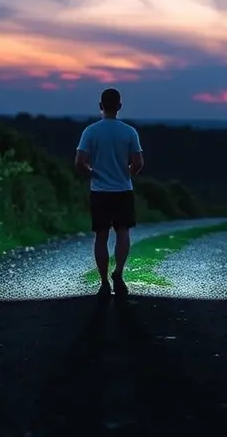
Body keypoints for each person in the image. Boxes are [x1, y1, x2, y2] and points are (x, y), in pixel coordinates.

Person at [74, 87, 144, 299]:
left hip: (100, 191)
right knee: (123, 234)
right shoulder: (129, 132)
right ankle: (119, 273)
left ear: (100, 106)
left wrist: (93, 173)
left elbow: (79, 162)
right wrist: (127, 174)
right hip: (123, 189)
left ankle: (104, 282)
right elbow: (138, 162)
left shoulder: (90, 131)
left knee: (101, 236)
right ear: (120, 106)